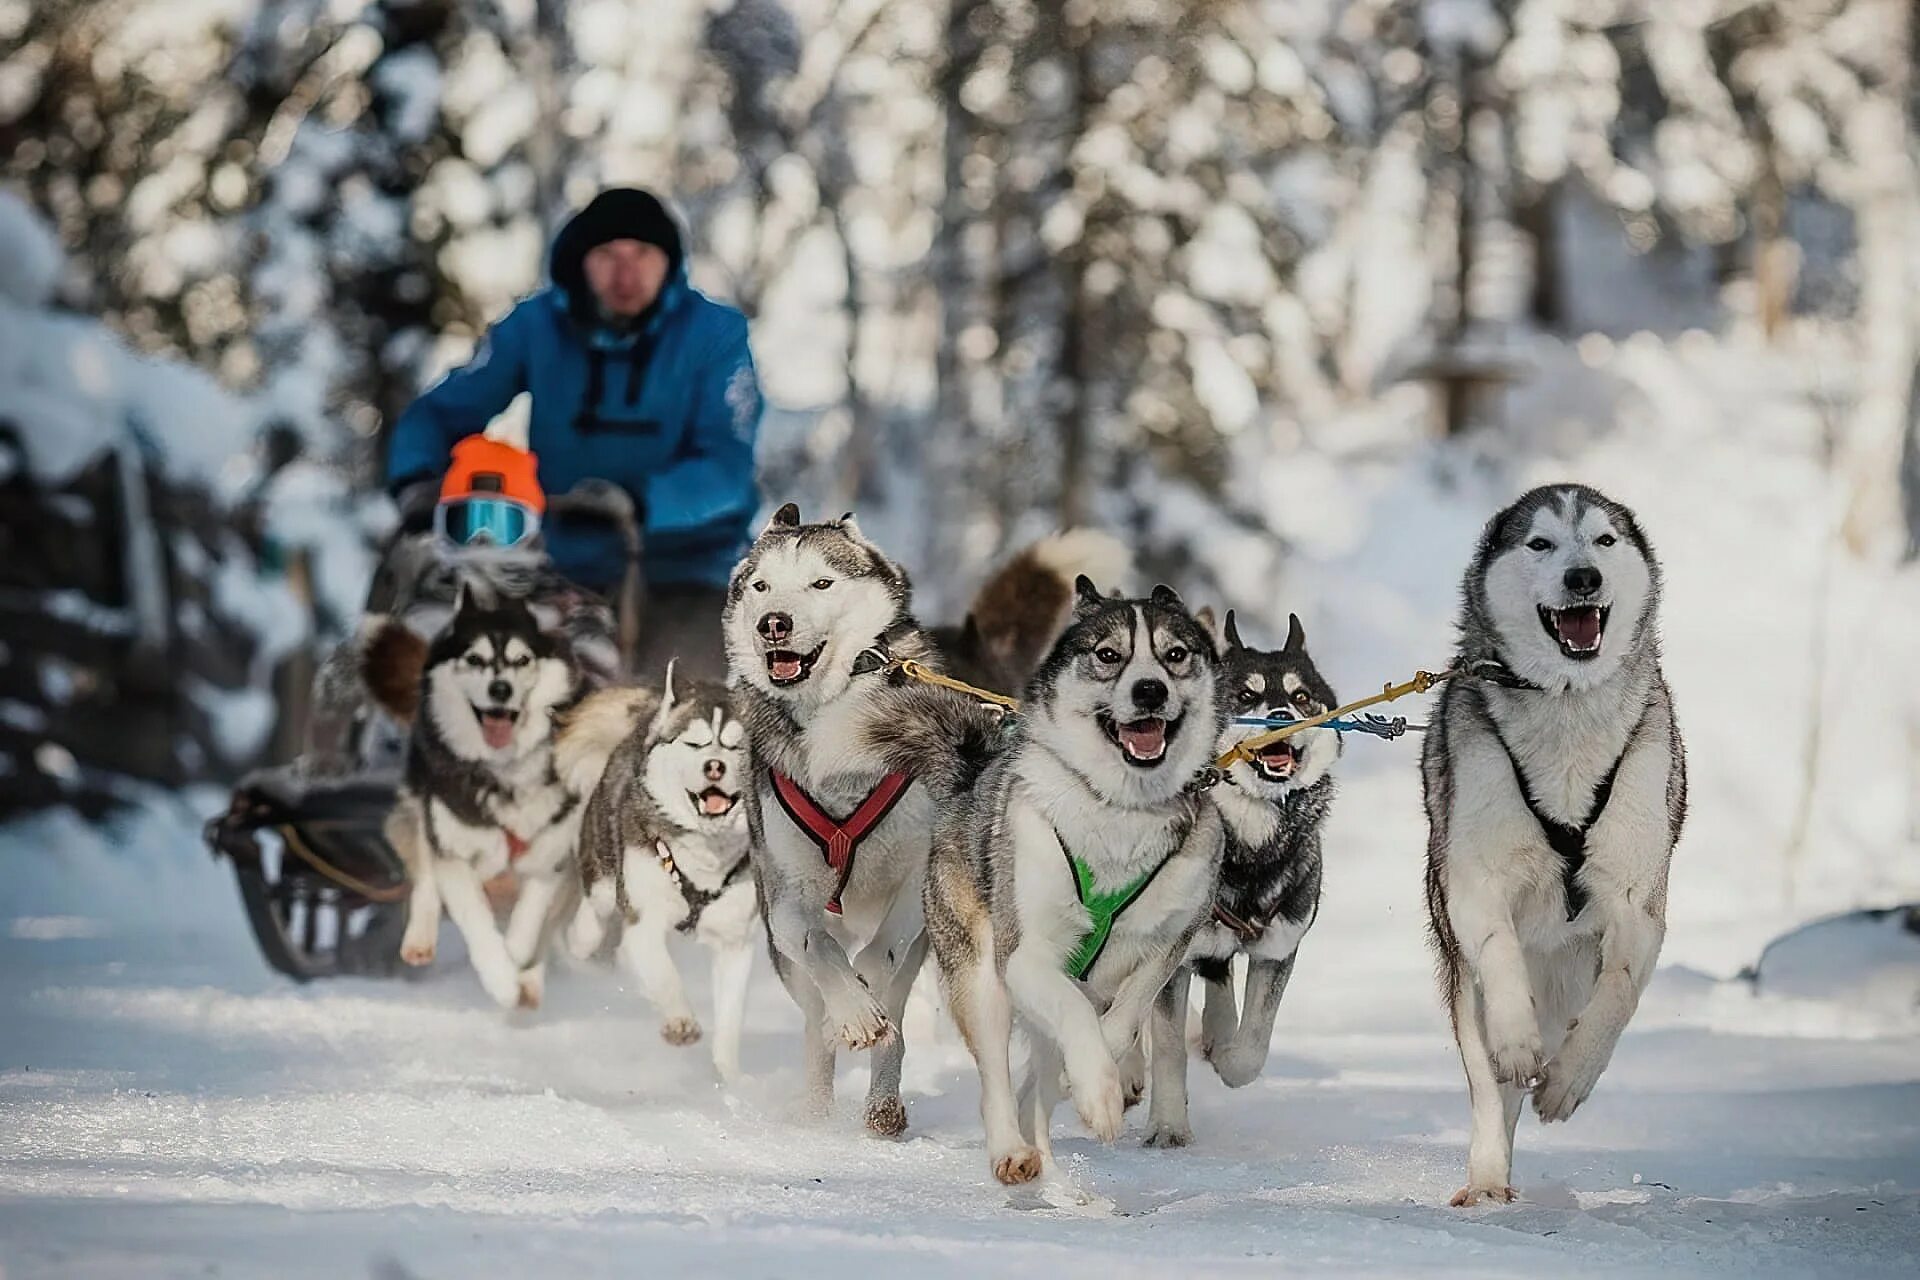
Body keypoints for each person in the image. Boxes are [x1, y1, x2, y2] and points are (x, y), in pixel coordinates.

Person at [386, 188, 762, 680]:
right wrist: (417, 478)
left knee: (681, 691)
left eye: (642, 255)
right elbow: (444, 410)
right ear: (580, 261)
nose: (625, 275)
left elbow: (727, 466)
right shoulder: (535, 327)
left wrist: (642, 501)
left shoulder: (715, 335)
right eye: (607, 255)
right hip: (559, 560)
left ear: (668, 262)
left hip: (689, 564)